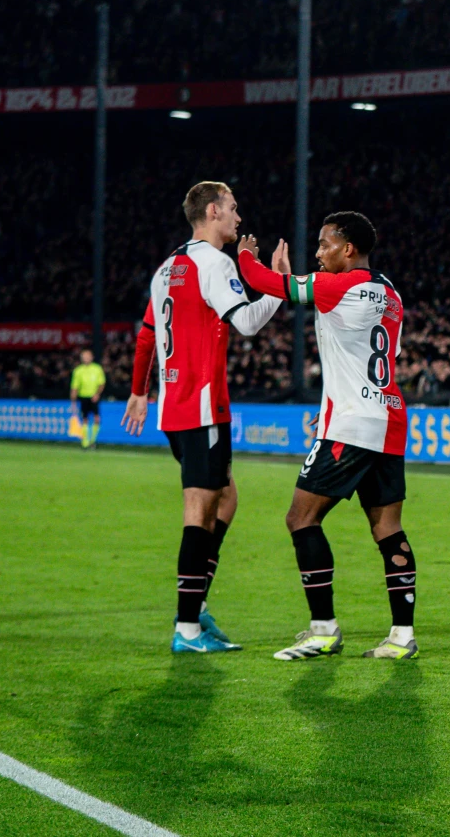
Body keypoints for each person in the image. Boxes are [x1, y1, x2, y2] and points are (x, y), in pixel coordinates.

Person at [236, 212, 418, 661]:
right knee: (388, 529)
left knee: (301, 518)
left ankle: (323, 630)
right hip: (389, 418)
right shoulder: (391, 293)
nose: (318, 254)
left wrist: (244, 255)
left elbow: (268, 283)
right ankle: (402, 636)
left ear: (348, 249)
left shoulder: (340, 285)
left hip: (351, 423)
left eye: (324, 245)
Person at [123, 181, 283, 653]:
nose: (238, 217)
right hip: (202, 407)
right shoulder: (214, 263)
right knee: (199, 510)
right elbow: (249, 323)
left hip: (176, 410)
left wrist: (138, 392)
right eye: (233, 208)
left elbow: (147, 335)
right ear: (212, 211)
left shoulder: (168, 265)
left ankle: (197, 607)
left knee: (226, 499)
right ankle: (187, 628)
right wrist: (274, 281)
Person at [70, 348, 105, 449]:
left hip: (94, 397)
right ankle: (85, 441)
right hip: (83, 397)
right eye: (84, 357)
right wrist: (73, 401)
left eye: (88, 356)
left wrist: (97, 394)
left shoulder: (97, 369)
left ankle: (93, 440)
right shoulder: (78, 371)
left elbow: (101, 383)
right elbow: (74, 387)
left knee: (96, 418)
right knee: (85, 419)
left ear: (92, 357)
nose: (86, 358)